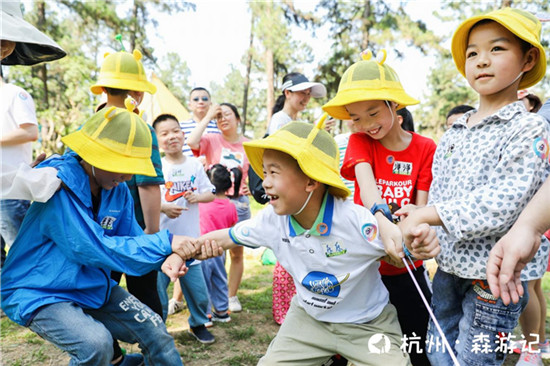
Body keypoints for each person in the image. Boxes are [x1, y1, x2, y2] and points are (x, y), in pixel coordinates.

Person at [195, 120, 439, 365]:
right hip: (308, 320)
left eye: (274, 172)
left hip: (367, 325)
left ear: (311, 181)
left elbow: (397, 249)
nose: (265, 183)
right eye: (264, 172)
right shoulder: (272, 219)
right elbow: (227, 236)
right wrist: (184, 250)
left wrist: (416, 245)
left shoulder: (355, 219)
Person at [0, 101, 215, 366]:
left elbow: (133, 238)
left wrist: (167, 257)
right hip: (39, 291)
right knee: (97, 345)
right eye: (123, 165)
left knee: (156, 330)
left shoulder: (118, 190)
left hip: (90, 285)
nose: (128, 176)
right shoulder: (57, 185)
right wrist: (168, 242)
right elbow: (90, 247)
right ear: (95, 156)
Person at [397, 8, 549, 365]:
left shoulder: (527, 129)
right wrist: (423, 222)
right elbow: (441, 191)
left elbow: (504, 200)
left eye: (497, 49)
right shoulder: (454, 131)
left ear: (527, 59)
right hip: (449, 266)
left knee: (474, 357)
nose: (482, 61)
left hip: (494, 274)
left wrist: (430, 214)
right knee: (438, 346)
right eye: (472, 53)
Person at [323, 49, 436, 366]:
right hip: (363, 260)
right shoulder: (360, 141)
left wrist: (412, 218)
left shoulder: (426, 147)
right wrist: (382, 219)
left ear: (394, 104)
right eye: (356, 117)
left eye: (373, 113)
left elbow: (421, 202)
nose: (366, 124)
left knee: (415, 334)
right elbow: (368, 187)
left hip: (405, 260)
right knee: (349, 339)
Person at [0, 0, 66, 268]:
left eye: (7, 40)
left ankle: (28, 302)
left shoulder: (15, 93)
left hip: (11, 189)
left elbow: (30, 132)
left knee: (21, 250)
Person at [152, 114, 217, 344]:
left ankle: (198, 324)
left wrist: (197, 196)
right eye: (164, 133)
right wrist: (163, 208)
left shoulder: (193, 165)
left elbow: (211, 193)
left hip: (191, 243)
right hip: (162, 244)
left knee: (198, 292)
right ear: (157, 140)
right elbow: (144, 201)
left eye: (176, 131)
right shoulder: (155, 166)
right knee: (158, 292)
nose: (172, 137)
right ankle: (158, 331)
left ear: (182, 133)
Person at [187, 102, 251, 313]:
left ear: (238, 119)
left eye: (227, 115)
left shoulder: (249, 145)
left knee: (236, 254)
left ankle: (230, 297)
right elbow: (191, 141)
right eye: (219, 116)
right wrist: (207, 117)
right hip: (212, 203)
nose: (223, 119)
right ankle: (187, 298)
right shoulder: (212, 139)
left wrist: (254, 188)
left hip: (238, 203)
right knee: (205, 251)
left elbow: (258, 172)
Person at [199, 164, 239, 324]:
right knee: (220, 279)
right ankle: (222, 311)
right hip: (221, 250)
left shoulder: (202, 203)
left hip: (203, 250)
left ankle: (205, 314)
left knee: (203, 282)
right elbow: (232, 226)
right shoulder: (231, 206)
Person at [179, 87, 220, 157]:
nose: (200, 102)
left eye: (204, 99)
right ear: (189, 105)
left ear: (210, 104)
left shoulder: (219, 126)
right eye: (196, 99)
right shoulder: (180, 126)